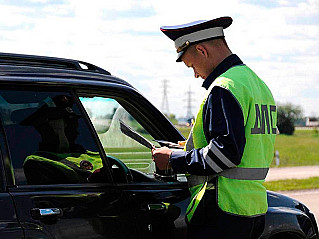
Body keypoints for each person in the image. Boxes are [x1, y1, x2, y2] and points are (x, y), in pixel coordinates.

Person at [152, 16, 277, 238]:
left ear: (201, 50)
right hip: (253, 208)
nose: (196, 74)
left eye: (192, 65)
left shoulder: (224, 87)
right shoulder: (256, 84)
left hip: (224, 210)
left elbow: (225, 154)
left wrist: (173, 159)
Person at [21, 95, 104, 184]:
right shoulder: (37, 162)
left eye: (75, 125)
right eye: (69, 127)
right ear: (47, 129)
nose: (77, 132)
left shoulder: (89, 152)